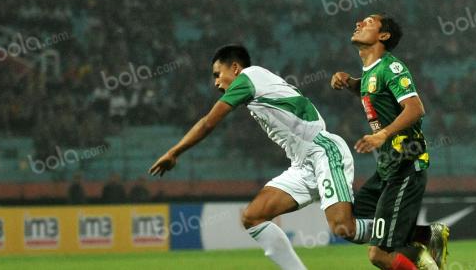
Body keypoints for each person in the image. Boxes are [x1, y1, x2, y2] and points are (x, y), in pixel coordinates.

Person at [149, 45, 377, 270]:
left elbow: (209, 122)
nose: (216, 82)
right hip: (302, 165)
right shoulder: (257, 83)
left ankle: (402, 230)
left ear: (236, 68)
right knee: (252, 216)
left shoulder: (248, 77)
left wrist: (173, 152)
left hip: (323, 151)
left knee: (343, 228)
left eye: (218, 74)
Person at [331, 14, 448, 270]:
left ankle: (422, 253)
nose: (359, 24)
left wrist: (383, 134)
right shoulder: (372, 72)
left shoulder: (391, 67)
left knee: (378, 254)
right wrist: (350, 82)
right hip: (387, 166)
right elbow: (372, 88)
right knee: (346, 225)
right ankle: (427, 236)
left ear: (383, 36)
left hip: (406, 164)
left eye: (368, 22)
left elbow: (415, 108)